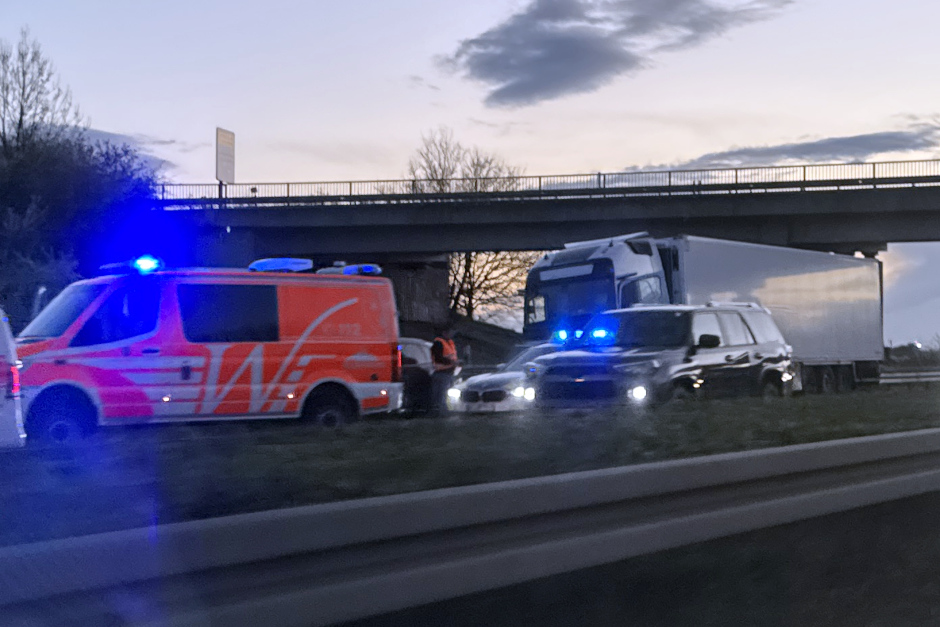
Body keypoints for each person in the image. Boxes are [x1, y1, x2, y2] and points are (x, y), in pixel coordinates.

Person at [430, 326, 460, 413]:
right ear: (444, 332)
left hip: (449, 373)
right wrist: (452, 362)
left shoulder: (449, 343)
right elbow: (438, 358)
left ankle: (445, 411)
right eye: (450, 332)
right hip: (441, 373)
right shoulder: (438, 343)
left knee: (446, 396)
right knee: (441, 396)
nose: (452, 334)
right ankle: (441, 412)